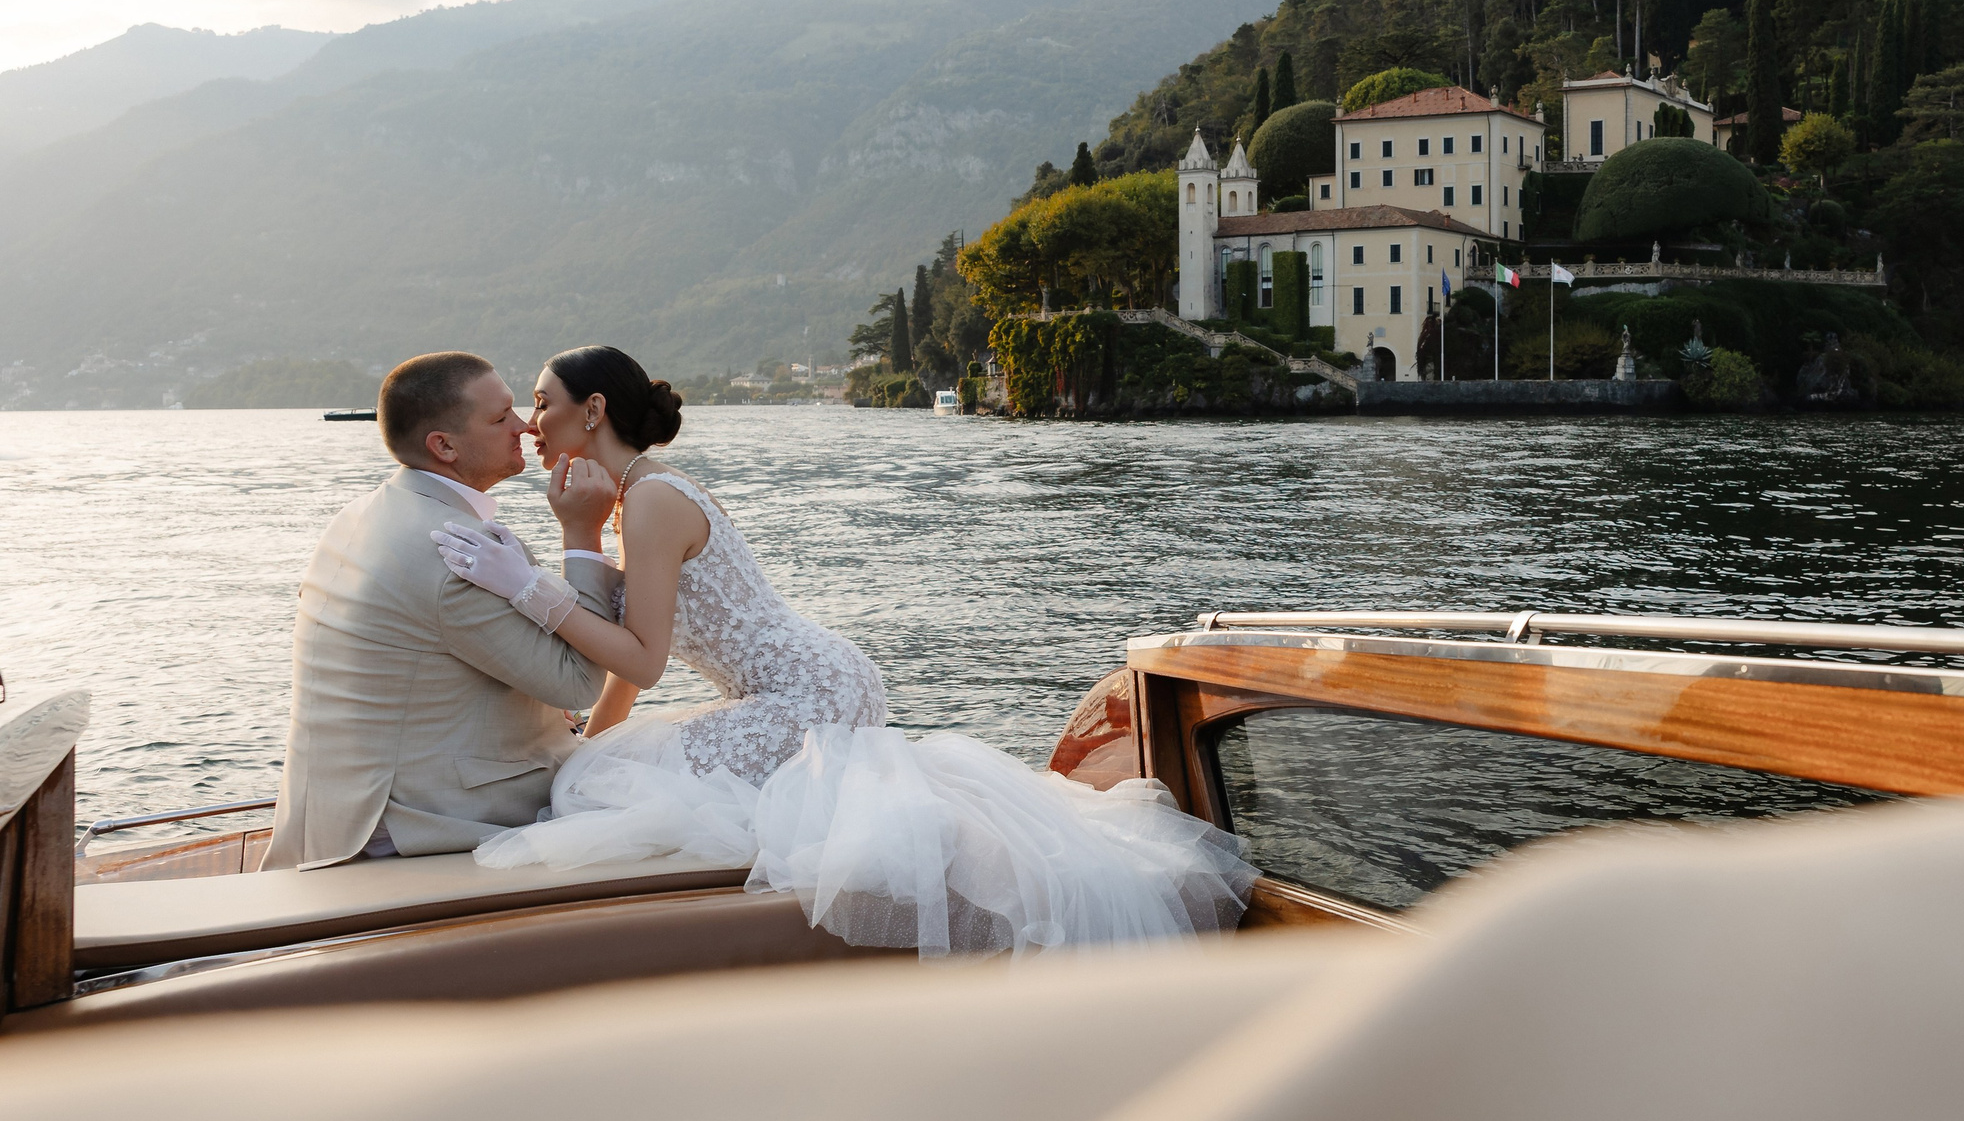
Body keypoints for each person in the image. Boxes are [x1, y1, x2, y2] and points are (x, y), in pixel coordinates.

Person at [434, 345, 1255, 953]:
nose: (532, 422)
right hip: (817, 676)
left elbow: (643, 660)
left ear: (593, 409)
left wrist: (528, 588)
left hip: (806, 692)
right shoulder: (638, 497)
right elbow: (629, 657)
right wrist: (597, 735)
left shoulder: (648, 499)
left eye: (540, 402)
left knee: (600, 788)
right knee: (602, 770)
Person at [266, 352, 623, 870]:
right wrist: (584, 536)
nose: (525, 426)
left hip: (327, 810)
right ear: (444, 445)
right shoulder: (457, 548)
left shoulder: (359, 514)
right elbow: (579, 683)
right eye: (501, 418)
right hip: (422, 819)